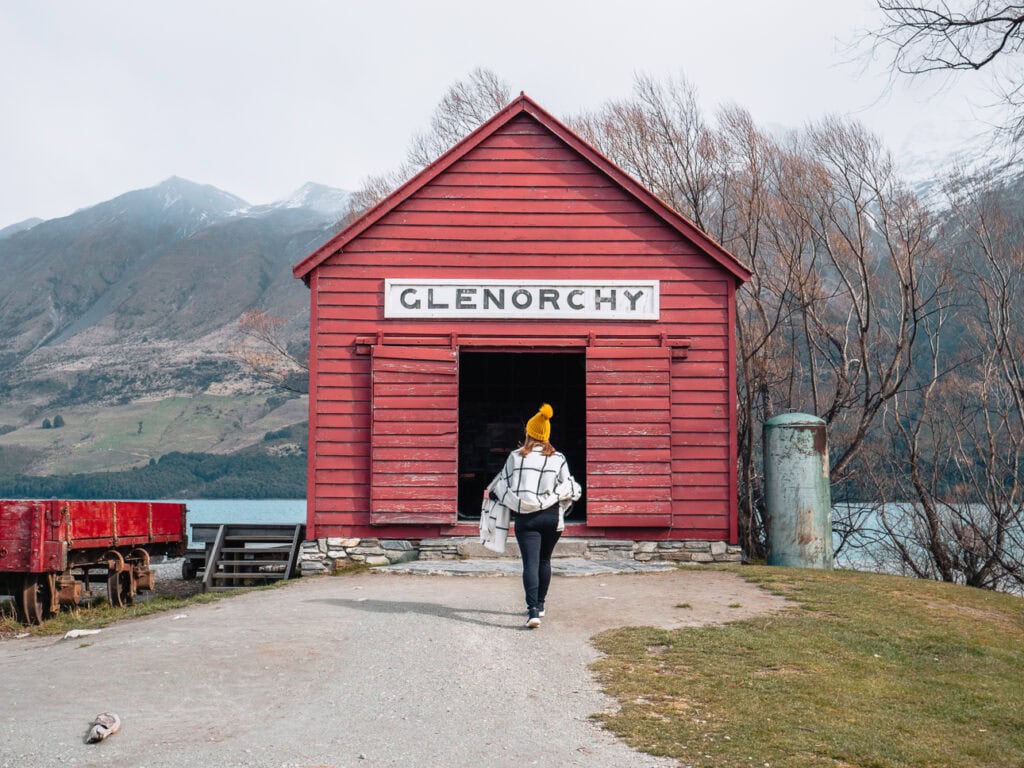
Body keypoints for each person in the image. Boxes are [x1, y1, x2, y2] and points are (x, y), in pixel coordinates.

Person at [483, 403, 582, 628]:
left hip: (526, 519)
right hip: (551, 517)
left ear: (528, 432)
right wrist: (558, 502)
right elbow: (569, 487)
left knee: (530, 563)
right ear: (546, 435)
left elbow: (501, 486)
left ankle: (533, 611)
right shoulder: (559, 458)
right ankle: (542, 603)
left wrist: (500, 498)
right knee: (545, 560)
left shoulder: (516, 458)